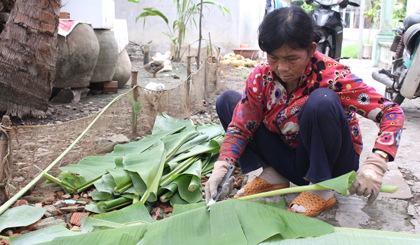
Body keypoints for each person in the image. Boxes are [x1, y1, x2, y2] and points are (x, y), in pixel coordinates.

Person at [205, 6, 404, 217]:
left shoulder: (333, 76)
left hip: (333, 164)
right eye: (273, 57)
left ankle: (322, 188)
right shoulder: (262, 77)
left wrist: (377, 163)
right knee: (228, 101)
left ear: (311, 49)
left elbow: (391, 112)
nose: (281, 67)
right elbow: (241, 126)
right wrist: (223, 164)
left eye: (291, 59)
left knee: (321, 101)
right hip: (292, 159)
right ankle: (274, 175)